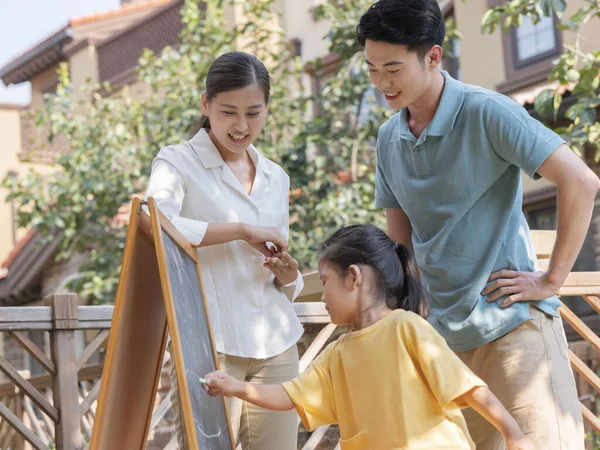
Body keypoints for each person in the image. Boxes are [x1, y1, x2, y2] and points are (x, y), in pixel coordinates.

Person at [357, 0, 600, 448]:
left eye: (392, 68)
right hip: (441, 341)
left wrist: (552, 280)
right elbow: (400, 240)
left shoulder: (487, 111)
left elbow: (581, 181)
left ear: (433, 56)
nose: (381, 83)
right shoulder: (389, 138)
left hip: (512, 330)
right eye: (372, 68)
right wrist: (410, 313)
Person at [203, 225, 535, 450]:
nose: (322, 295)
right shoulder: (338, 352)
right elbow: (290, 396)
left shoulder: (407, 328)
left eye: (325, 281)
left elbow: (468, 387)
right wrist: (235, 388)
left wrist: (513, 433)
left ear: (353, 277)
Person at [145, 51, 302, 449]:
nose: (242, 126)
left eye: (254, 112)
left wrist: (289, 275)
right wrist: (239, 229)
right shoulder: (176, 162)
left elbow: (277, 273)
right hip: (209, 342)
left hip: (276, 343)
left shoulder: (275, 177)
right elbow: (153, 222)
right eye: (229, 112)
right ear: (206, 103)